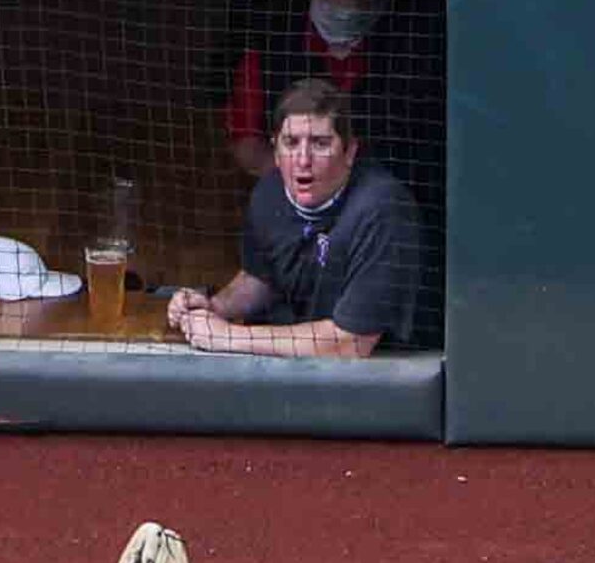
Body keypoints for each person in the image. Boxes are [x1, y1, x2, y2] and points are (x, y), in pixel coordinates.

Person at [217, 0, 445, 218]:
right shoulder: (270, 46)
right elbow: (247, 143)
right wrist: (314, 188)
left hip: (407, 222)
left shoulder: (425, 38)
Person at [170, 78, 421, 358]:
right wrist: (213, 308)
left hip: (378, 381)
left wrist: (229, 335)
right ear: (275, 151)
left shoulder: (382, 209)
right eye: (291, 143)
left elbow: (351, 343)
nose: (303, 159)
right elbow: (262, 278)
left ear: (349, 151)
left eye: (320, 143)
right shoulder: (269, 193)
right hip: (296, 373)